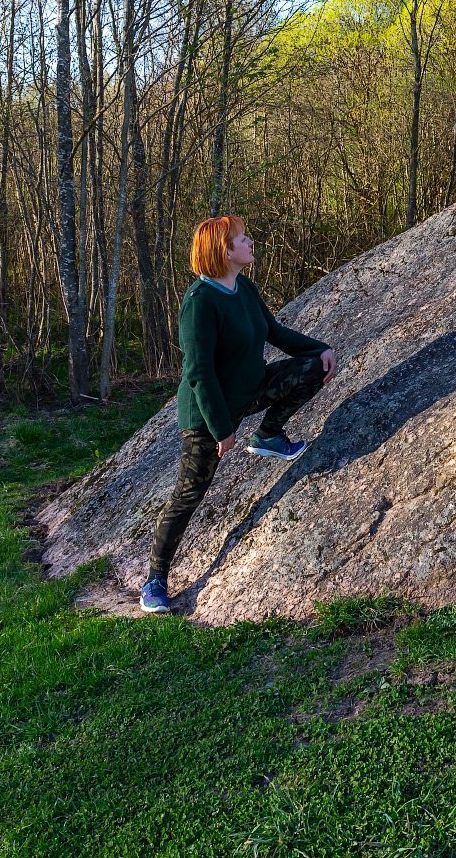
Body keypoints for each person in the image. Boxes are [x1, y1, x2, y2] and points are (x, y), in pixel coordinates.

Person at [139, 215, 334, 614]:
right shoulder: (199, 303)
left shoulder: (243, 286)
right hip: (207, 416)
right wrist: (222, 430)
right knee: (190, 494)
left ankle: (269, 435)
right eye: (242, 238)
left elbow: (274, 331)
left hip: (250, 391)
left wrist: (320, 349)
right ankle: (155, 579)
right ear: (224, 251)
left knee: (313, 368)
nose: (250, 241)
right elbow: (199, 373)